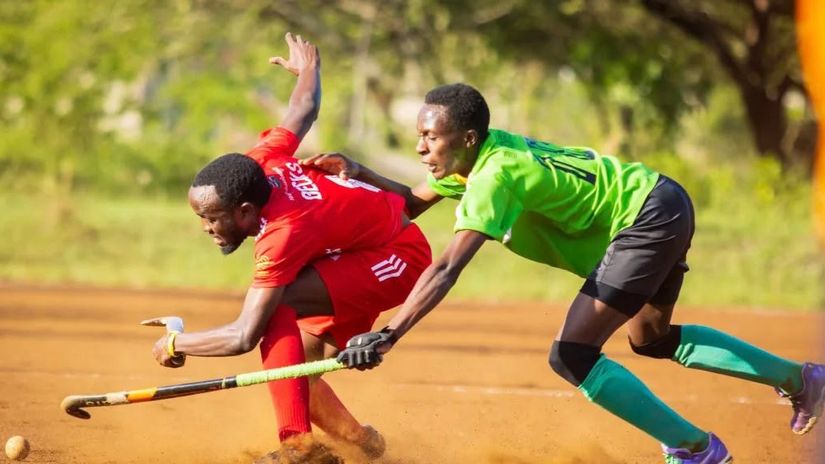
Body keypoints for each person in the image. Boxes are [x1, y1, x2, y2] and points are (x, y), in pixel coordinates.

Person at [305, 83, 825, 463]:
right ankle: (802, 380)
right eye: (418, 135)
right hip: (660, 200)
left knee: (572, 354)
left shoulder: (493, 176)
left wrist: (390, 333)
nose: (421, 148)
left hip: (643, 219)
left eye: (430, 137)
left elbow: (445, 268)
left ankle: (696, 450)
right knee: (651, 339)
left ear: (465, 137)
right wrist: (362, 172)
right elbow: (410, 206)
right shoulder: (483, 153)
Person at [149, 33, 431, 463]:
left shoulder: (282, 233)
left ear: (245, 211)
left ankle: (296, 446)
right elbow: (303, 109)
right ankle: (362, 443)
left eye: (212, 218)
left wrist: (177, 344)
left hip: (396, 257)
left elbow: (244, 335)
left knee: (275, 310)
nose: (207, 228)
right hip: (351, 252)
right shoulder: (261, 163)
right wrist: (309, 71)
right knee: (298, 374)